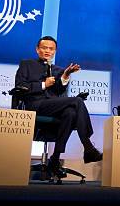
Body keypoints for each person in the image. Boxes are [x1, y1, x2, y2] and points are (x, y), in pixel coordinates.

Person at [14, 36, 102, 177]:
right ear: (37, 50)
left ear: (55, 51)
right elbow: (20, 86)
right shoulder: (26, 64)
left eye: (51, 49)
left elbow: (59, 90)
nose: (48, 51)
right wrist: (43, 85)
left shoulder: (58, 69)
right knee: (77, 102)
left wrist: (66, 75)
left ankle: (55, 159)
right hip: (35, 105)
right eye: (44, 48)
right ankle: (88, 146)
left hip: (52, 107)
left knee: (70, 113)